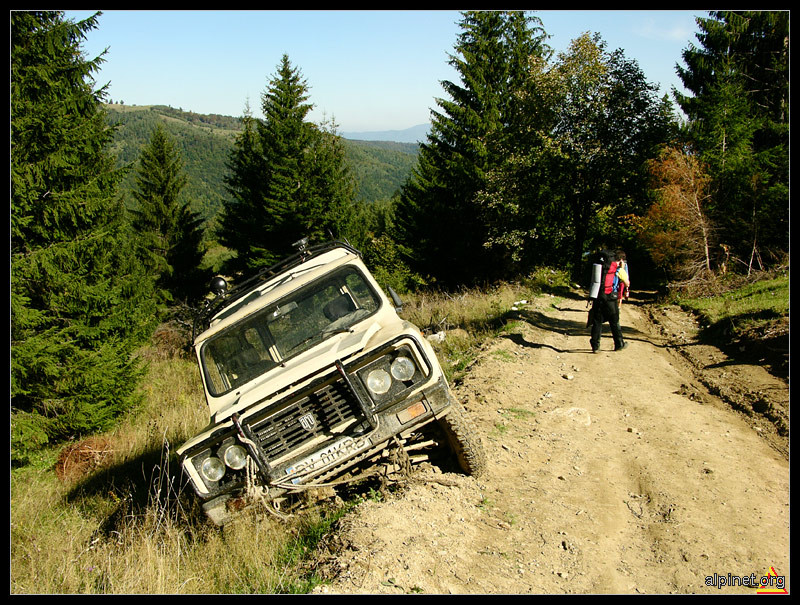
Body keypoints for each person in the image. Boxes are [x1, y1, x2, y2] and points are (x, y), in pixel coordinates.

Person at [589, 249, 629, 353]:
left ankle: (595, 346)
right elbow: (627, 283)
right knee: (614, 321)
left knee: (597, 321)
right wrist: (622, 269)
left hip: (598, 295)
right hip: (610, 296)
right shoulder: (617, 269)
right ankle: (619, 344)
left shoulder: (599, 267)